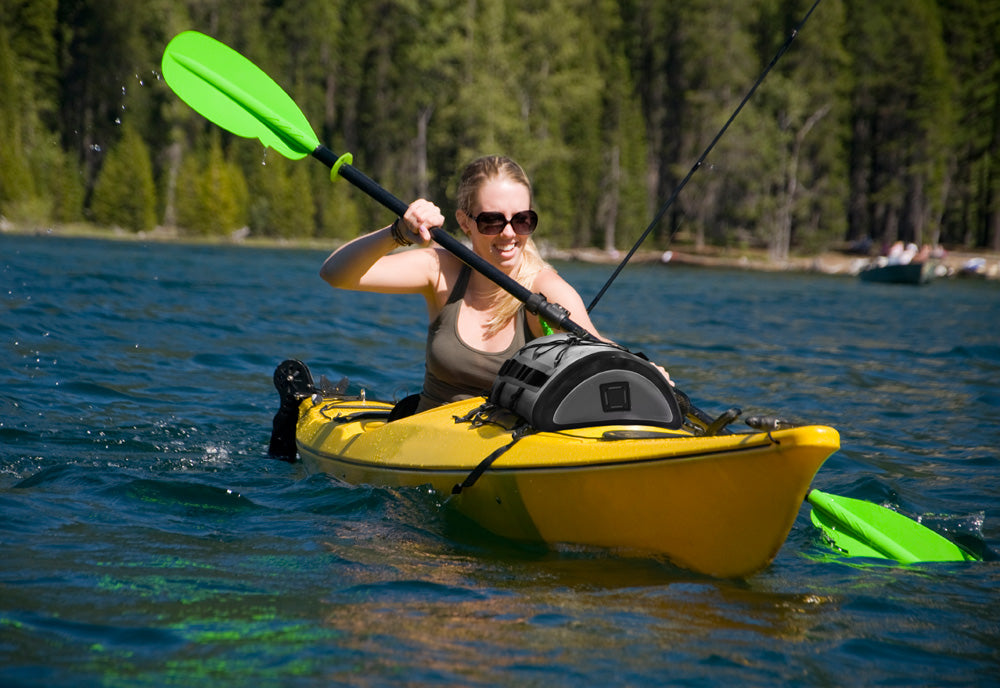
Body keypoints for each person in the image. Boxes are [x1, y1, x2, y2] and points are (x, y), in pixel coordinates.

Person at [320, 155, 660, 413]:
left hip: (500, 453)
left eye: (522, 220)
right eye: (492, 221)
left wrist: (644, 370)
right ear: (465, 223)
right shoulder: (441, 270)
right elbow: (336, 273)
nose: (509, 233)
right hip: (425, 443)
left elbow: (597, 347)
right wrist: (398, 233)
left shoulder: (545, 289)